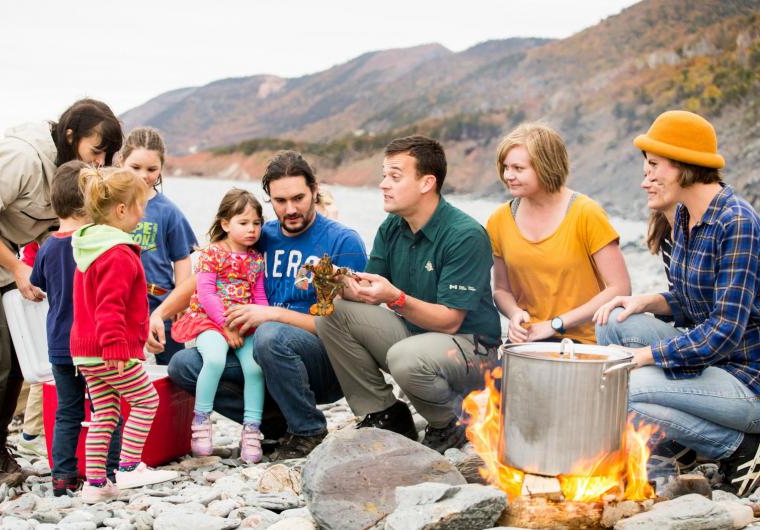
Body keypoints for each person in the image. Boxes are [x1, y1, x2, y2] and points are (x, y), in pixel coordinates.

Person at [154, 150, 367, 460]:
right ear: (269, 198)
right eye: (280, 201)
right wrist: (160, 313)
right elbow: (204, 276)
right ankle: (276, 425)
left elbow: (351, 329)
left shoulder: (342, 241)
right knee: (184, 366)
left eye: (299, 198)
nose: (290, 209)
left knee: (270, 334)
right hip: (265, 353)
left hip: (326, 362)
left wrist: (272, 314)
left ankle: (308, 429)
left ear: (315, 190)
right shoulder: (260, 235)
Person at [594, 110, 760, 496]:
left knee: (622, 387)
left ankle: (740, 450)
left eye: (653, 166)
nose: (644, 179)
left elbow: (723, 331)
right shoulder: (685, 215)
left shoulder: (737, 223)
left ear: (685, 166)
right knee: (613, 320)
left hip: (748, 381)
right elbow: (691, 300)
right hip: (713, 364)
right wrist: (643, 301)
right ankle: (684, 442)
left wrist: (643, 356)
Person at [0, 98, 122, 492]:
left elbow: (54, 228)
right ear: (71, 136)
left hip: (0, 256)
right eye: (96, 151)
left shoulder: (67, 170)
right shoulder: (22, 157)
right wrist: (17, 267)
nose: (99, 162)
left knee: (16, 359)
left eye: (106, 155)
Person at [315, 135, 502, 454]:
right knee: (331, 313)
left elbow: (449, 322)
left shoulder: (464, 234)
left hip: (474, 351)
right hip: (417, 338)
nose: (383, 184)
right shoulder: (393, 226)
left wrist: (395, 298)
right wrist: (332, 278)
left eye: (395, 176)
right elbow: (366, 288)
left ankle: (451, 425)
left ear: (427, 182)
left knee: (406, 357)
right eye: (384, 175)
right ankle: (385, 414)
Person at [71, 167, 177, 502]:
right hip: (109, 351)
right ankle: (130, 467)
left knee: (105, 414)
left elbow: (103, 306)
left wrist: (135, 334)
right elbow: (110, 307)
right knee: (146, 400)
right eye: (140, 206)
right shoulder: (118, 254)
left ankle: (97, 484)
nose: (142, 213)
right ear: (121, 210)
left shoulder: (91, 247)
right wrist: (118, 348)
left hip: (86, 351)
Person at [487, 123, 630, 344]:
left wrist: (556, 323)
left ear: (545, 166)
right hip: (528, 340)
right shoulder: (499, 220)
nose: (508, 175)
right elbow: (501, 289)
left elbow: (620, 288)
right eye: (506, 167)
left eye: (518, 168)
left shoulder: (586, 213)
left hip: (587, 343)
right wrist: (515, 314)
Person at [30, 160, 123, 497]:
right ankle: (108, 471)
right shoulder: (96, 244)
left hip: (59, 343)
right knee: (107, 408)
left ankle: (63, 475)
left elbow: (36, 282)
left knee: (68, 410)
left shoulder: (48, 247)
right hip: (93, 344)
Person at [171, 189, 268, 463]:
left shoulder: (256, 259)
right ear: (225, 224)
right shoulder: (212, 254)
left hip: (244, 324)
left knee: (255, 367)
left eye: (256, 223)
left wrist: (257, 324)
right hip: (211, 321)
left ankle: (251, 430)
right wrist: (226, 326)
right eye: (244, 223)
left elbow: (259, 297)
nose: (252, 230)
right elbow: (206, 294)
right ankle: (201, 421)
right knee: (213, 360)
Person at [122, 127, 197, 365]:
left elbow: (182, 257)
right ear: (121, 161)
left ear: (161, 169)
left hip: (162, 305)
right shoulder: (110, 207)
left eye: (152, 169)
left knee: (174, 370)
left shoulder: (168, 211)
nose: (143, 175)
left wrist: (180, 299)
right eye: (135, 167)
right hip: (121, 307)